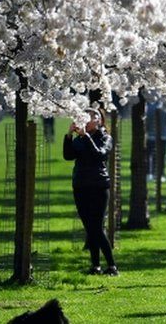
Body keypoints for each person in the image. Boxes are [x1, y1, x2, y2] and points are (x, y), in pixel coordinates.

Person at [63, 109, 118, 276]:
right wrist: (68, 135)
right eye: (85, 116)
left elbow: (99, 155)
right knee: (90, 228)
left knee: (96, 226)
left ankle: (112, 266)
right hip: (80, 185)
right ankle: (95, 266)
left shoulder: (106, 138)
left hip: (98, 186)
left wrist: (86, 137)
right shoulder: (80, 139)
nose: (88, 119)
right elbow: (68, 156)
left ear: (100, 121)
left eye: (93, 116)